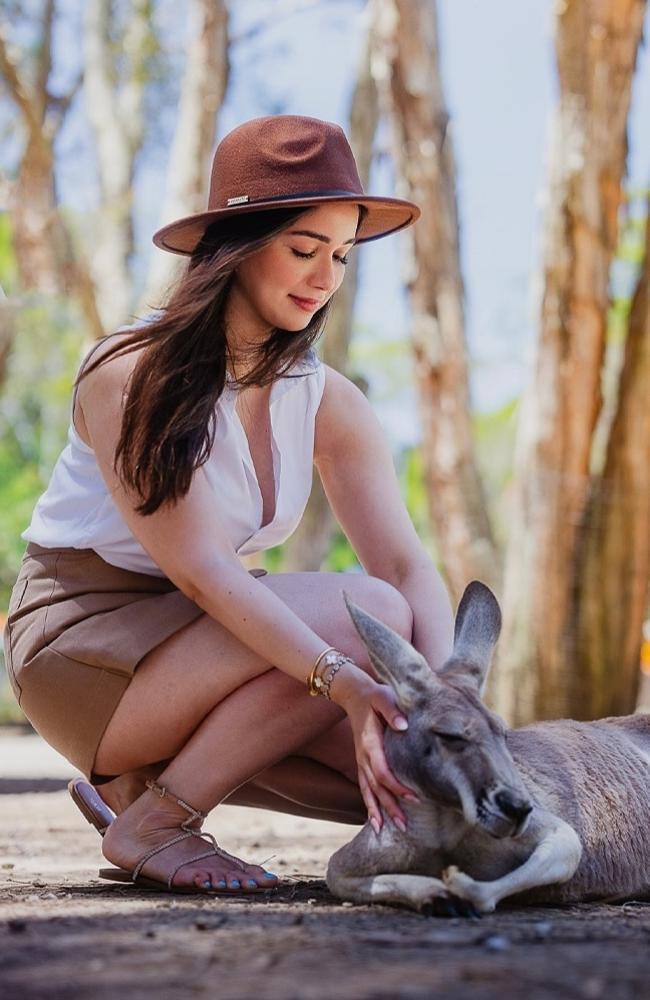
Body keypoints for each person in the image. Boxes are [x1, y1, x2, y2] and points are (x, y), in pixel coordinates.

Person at [3, 115, 454, 895]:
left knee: (417, 789)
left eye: (342, 256)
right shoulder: (131, 372)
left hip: (209, 648)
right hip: (87, 651)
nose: (324, 277)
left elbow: (407, 560)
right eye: (303, 249)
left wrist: (448, 703)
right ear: (237, 246)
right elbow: (211, 571)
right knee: (364, 612)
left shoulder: (326, 399)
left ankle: (141, 782)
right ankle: (159, 821)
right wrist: (344, 680)